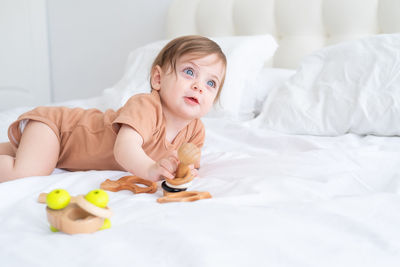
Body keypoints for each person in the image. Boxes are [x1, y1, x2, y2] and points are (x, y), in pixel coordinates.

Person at [0, 35, 227, 183]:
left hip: (62, 150)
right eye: (189, 72)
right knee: (27, 172)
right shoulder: (147, 106)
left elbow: (186, 164)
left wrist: (180, 170)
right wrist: (149, 170)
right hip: (58, 131)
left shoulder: (195, 131)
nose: (199, 86)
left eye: (211, 83)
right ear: (158, 79)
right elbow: (125, 148)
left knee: (22, 151)